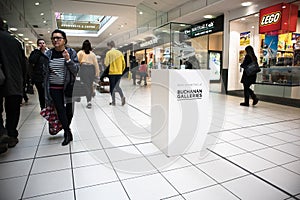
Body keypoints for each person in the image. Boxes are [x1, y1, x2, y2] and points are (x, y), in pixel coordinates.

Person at [44, 29, 79, 146]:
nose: (55, 40)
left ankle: (67, 128)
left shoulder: (71, 52)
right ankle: (67, 133)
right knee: (60, 111)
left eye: (58, 38)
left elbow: (76, 71)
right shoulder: (48, 54)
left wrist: (68, 60)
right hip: (54, 88)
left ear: (64, 40)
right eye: (53, 38)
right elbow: (46, 72)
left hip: (68, 87)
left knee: (69, 112)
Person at [0, 17, 26, 153]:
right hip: (14, 80)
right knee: (13, 109)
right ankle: (11, 134)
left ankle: (1, 133)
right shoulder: (14, 42)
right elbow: (23, 64)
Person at [77, 40, 100, 108]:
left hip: (84, 69)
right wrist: (97, 73)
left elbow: (76, 62)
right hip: (91, 69)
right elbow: (96, 64)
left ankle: (89, 101)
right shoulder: (92, 54)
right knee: (90, 85)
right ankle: (89, 98)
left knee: (86, 85)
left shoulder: (80, 53)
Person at [29, 38, 49, 110]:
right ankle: (43, 107)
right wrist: (37, 51)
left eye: (43, 43)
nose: (42, 45)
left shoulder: (48, 53)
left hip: (47, 76)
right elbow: (32, 61)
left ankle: (48, 107)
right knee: (41, 93)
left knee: (48, 93)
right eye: (40, 43)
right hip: (38, 77)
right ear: (37, 45)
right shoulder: (35, 53)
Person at [104, 41, 126, 106]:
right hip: (119, 72)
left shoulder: (109, 53)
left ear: (109, 46)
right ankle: (122, 96)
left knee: (112, 87)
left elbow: (106, 63)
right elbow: (124, 63)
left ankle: (113, 102)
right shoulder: (120, 53)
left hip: (112, 73)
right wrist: (121, 70)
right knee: (117, 86)